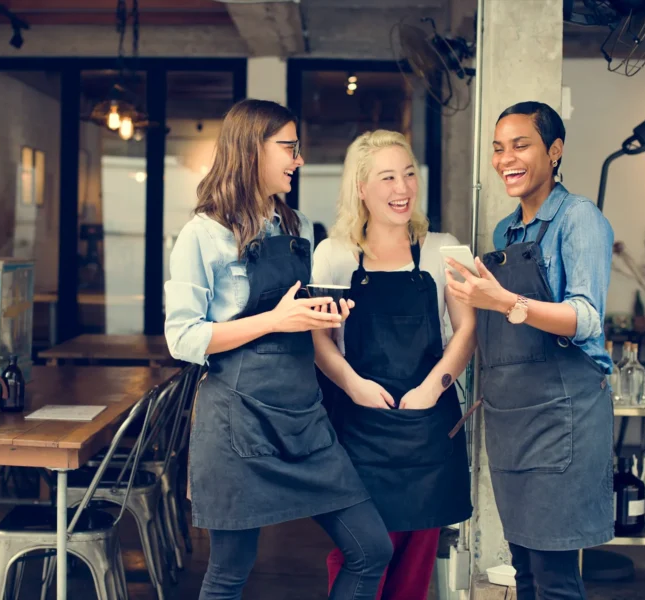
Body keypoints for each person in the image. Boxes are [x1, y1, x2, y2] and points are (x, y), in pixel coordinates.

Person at [164, 99, 393, 600]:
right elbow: (182, 339)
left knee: (371, 549)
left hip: (302, 415)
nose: (298, 159)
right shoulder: (202, 235)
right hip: (236, 419)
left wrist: (319, 314)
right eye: (288, 147)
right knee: (229, 572)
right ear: (251, 151)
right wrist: (275, 319)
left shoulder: (296, 226)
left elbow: (295, 313)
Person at [445, 101, 614, 600]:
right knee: (522, 568)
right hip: (511, 416)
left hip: (562, 415)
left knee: (555, 575)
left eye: (521, 145)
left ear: (554, 151)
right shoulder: (506, 232)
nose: (506, 159)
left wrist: (504, 299)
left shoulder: (579, 219)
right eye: (498, 148)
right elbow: (500, 323)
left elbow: (585, 318)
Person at [312, 130, 474, 600]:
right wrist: (354, 384)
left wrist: (434, 388)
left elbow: (466, 331)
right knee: (360, 553)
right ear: (361, 188)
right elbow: (320, 341)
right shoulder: (334, 255)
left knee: (416, 563)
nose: (402, 189)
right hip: (358, 428)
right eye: (387, 177)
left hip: (427, 428)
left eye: (408, 174)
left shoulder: (444, 249)